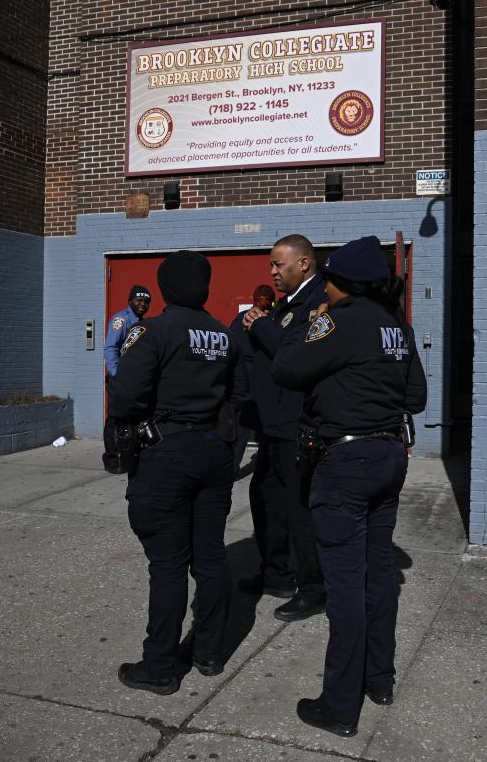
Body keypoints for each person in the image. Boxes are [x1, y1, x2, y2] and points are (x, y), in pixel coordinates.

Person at [271, 235, 427, 737]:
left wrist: (310, 325)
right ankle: (378, 679)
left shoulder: (338, 320)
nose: (326, 290)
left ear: (341, 284)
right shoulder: (395, 327)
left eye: (330, 283)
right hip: (388, 457)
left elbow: (287, 368)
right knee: (376, 576)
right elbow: (417, 396)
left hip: (346, 463)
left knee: (344, 587)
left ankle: (339, 706)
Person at [108, 251, 246, 695]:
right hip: (213, 452)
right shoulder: (224, 335)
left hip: (167, 454)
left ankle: (161, 665)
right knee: (209, 556)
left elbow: (127, 397)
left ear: (166, 287)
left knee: (168, 564)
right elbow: (239, 394)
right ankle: (208, 651)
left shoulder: (151, 330)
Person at [239, 235, 327, 618]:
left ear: (304, 264)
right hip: (272, 425)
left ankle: (312, 587)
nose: (272, 272)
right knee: (265, 499)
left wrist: (260, 326)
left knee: (298, 509)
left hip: (297, 425)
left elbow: (294, 351)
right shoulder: (286, 304)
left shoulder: (318, 300)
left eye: (279, 264)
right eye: (271, 265)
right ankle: (276, 573)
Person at [227, 284, 275, 473]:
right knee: (260, 420)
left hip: (239, 373)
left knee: (241, 423)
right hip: (259, 372)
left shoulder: (240, 318)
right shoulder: (268, 320)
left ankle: (232, 465)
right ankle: (265, 462)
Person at [105, 284, 152, 377]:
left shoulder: (143, 322)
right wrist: (115, 373)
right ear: (130, 301)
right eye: (139, 300)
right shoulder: (122, 319)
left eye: (146, 301)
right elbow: (111, 347)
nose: (143, 304)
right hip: (123, 375)